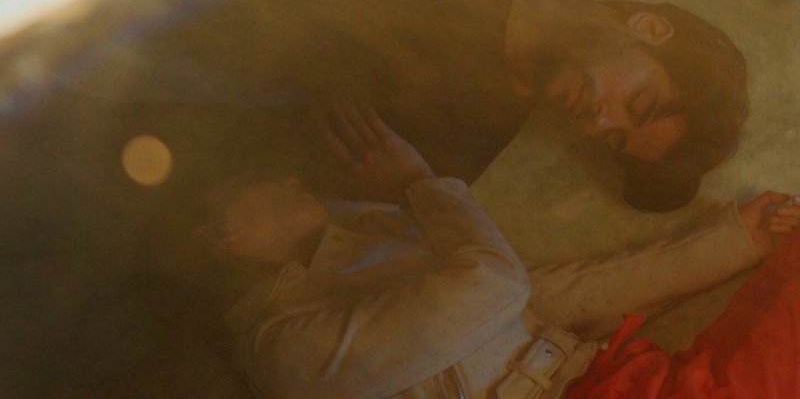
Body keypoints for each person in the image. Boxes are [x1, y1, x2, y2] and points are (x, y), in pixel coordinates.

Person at [200, 101, 798, 398]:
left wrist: (740, 241)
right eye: (257, 184)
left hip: (602, 381)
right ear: (222, 236)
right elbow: (493, 286)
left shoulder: (370, 238)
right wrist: (418, 184)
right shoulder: (282, 348)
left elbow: (549, 294)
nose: (289, 181)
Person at [505, 0, 747, 210]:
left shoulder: (481, 129)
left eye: (615, 138)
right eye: (638, 103)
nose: (598, 124)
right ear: (650, 28)